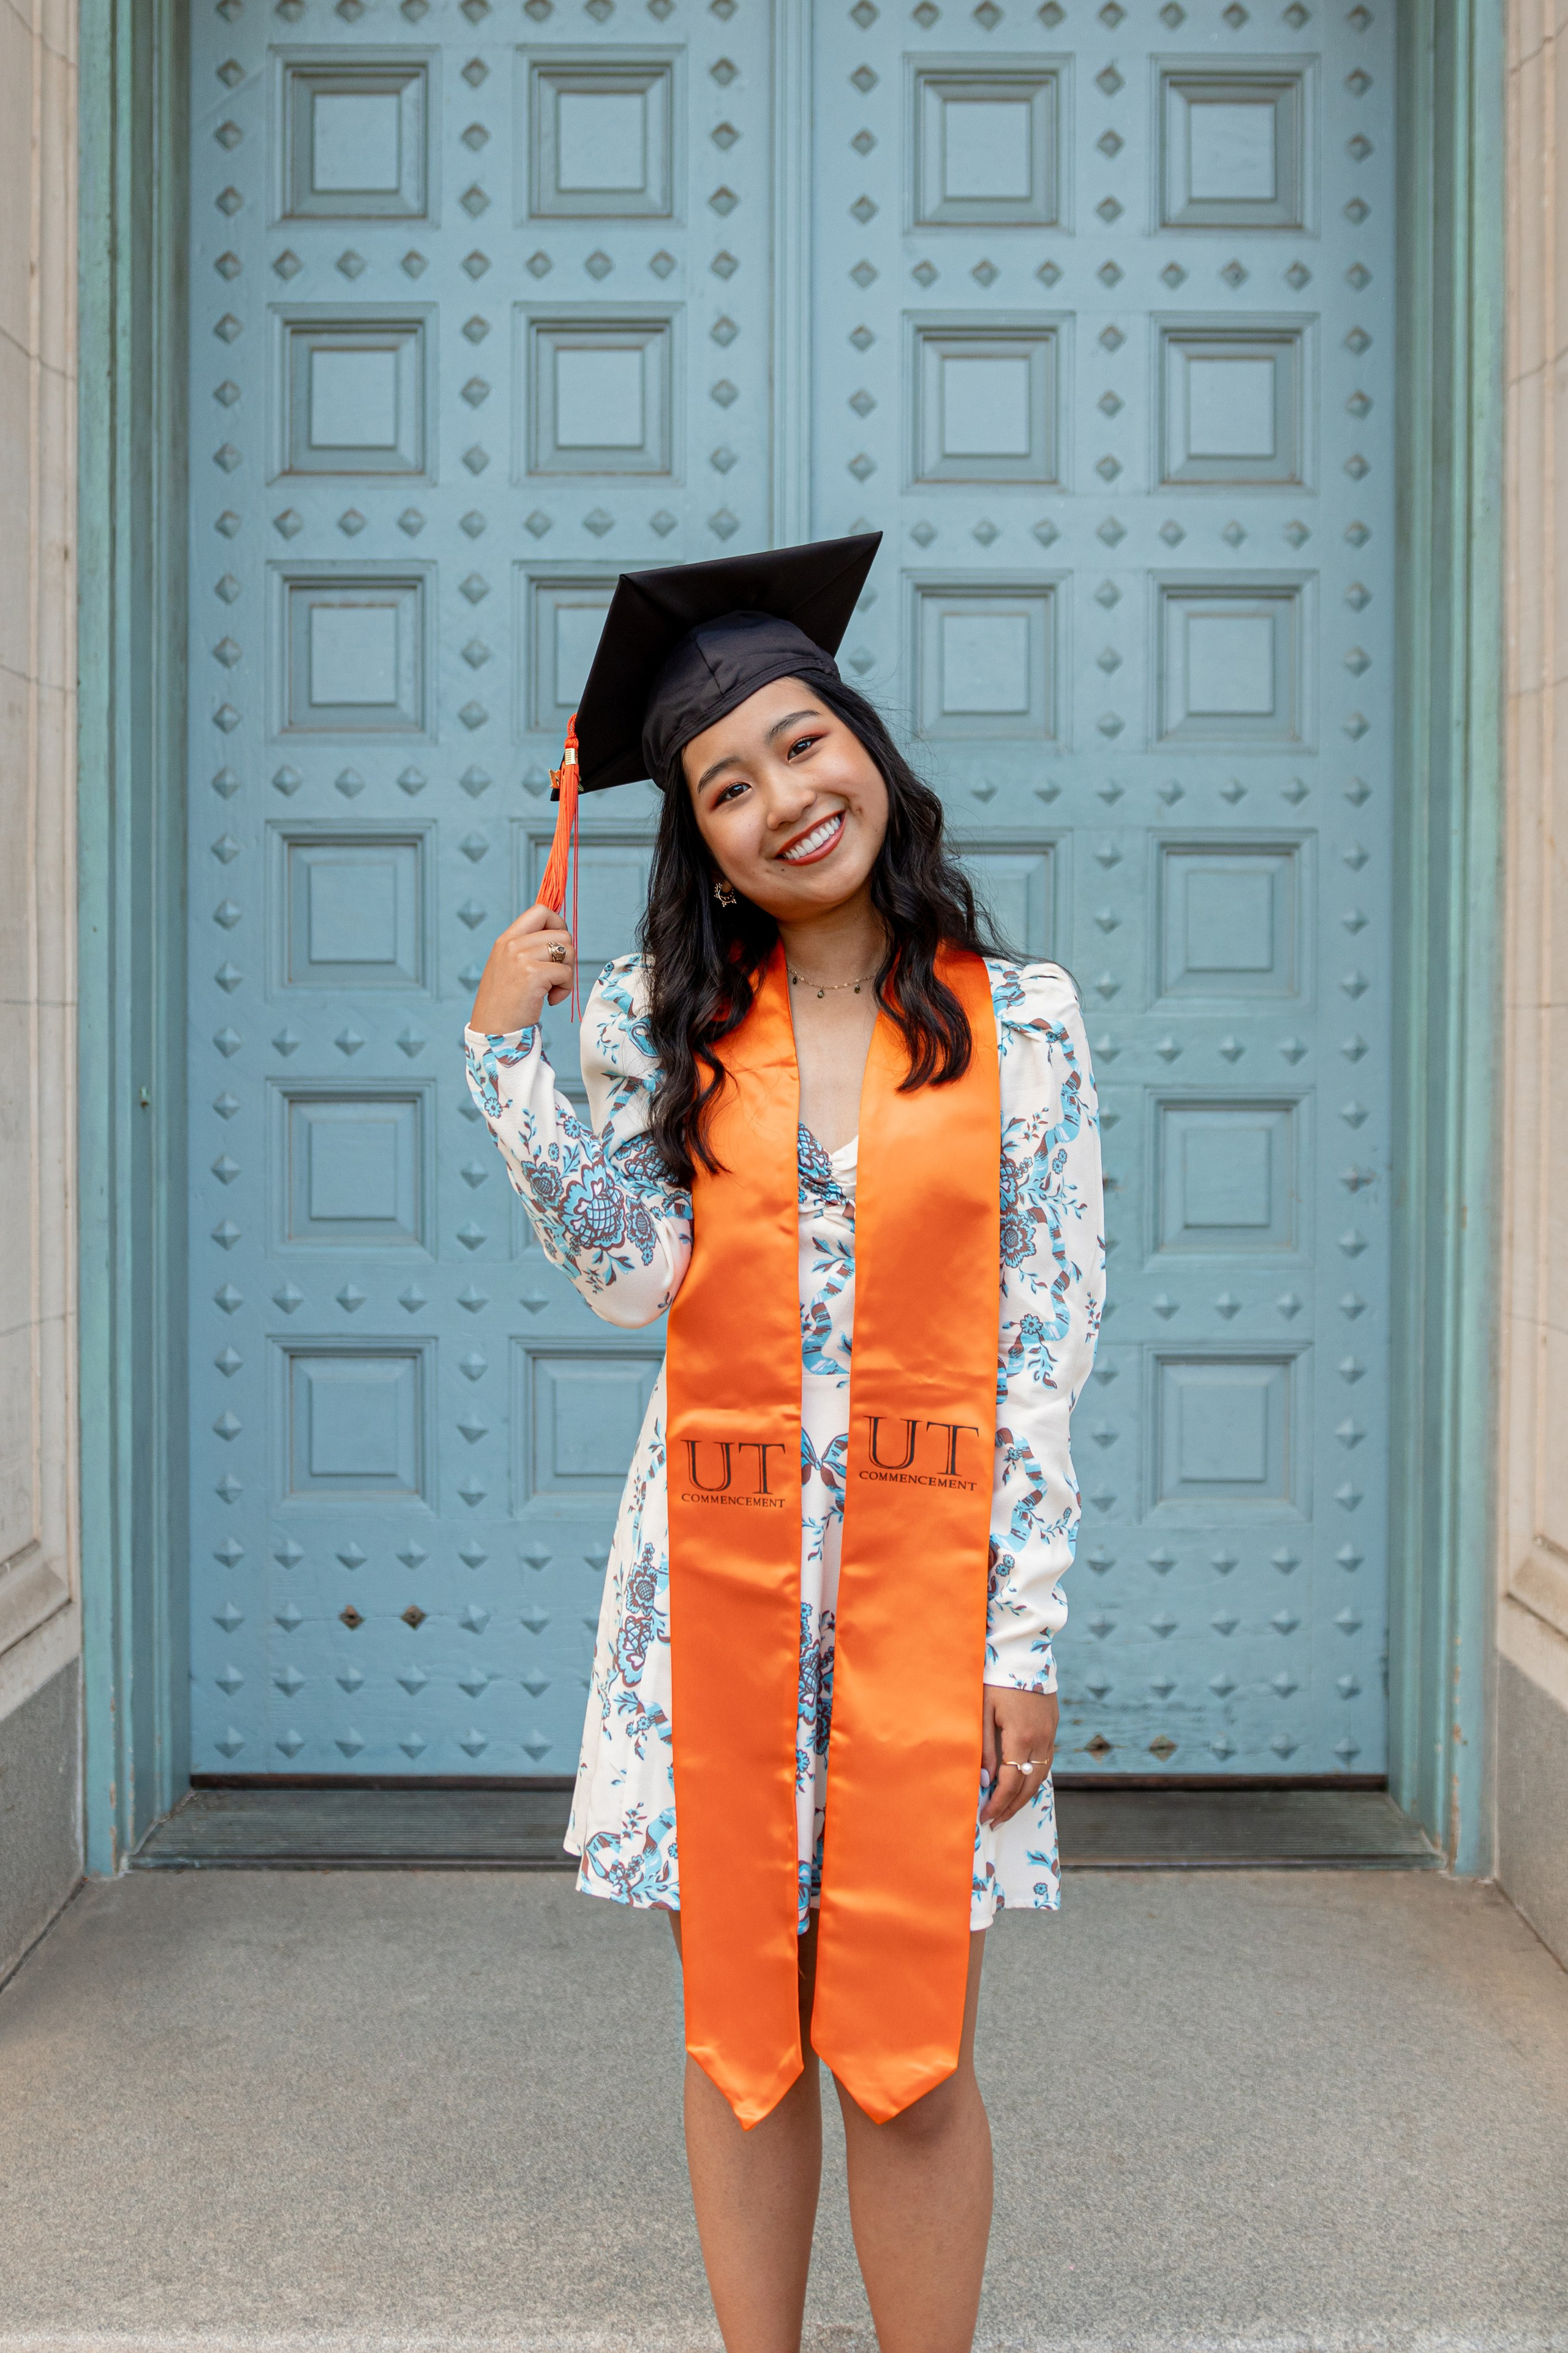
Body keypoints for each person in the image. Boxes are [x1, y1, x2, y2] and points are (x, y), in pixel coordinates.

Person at [465, 535, 1104, 2353]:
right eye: (725, 784)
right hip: (710, 1595)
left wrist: (1023, 1641)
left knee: (906, 2042)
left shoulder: (1026, 1025)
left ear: (870, 752)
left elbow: (1044, 1343)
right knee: (746, 2034)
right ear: (702, 835)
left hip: (936, 1586)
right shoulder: (660, 1024)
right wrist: (511, 1068)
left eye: (802, 745)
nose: (780, 799)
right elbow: (631, 1272)